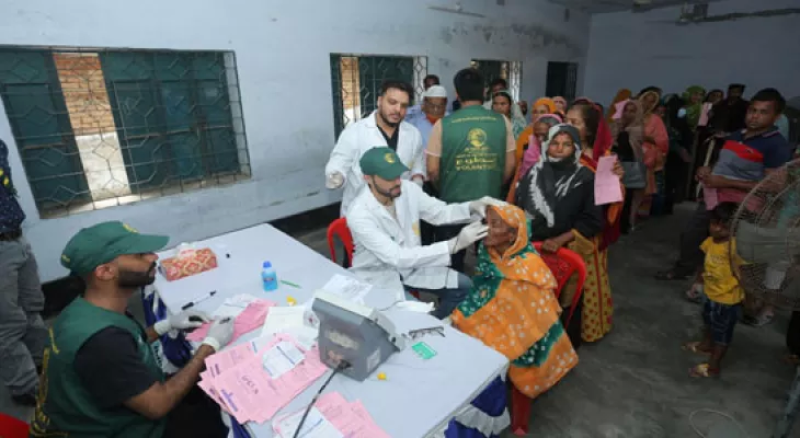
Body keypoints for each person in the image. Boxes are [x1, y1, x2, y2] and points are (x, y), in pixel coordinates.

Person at [31, 221, 235, 437]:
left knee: (204, 394)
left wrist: (165, 325)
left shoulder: (86, 309)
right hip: (125, 429)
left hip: (116, 412)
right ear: (105, 271)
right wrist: (209, 347)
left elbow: (127, 346)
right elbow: (158, 406)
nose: (154, 257)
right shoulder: (102, 342)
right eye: (140, 255)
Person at [450, 204, 577, 436]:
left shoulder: (528, 268)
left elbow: (532, 321)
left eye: (495, 225)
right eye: (487, 222)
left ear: (513, 235)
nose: (486, 228)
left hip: (526, 335)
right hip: (498, 321)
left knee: (473, 340)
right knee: (455, 327)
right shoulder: (489, 255)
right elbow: (485, 295)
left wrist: (485, 329)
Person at [347, 147, 502, 319]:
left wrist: (471, 206)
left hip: (413, 267)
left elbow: (439, 213)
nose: (397, 182)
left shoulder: (407, 190)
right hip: (379, 275)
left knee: (464, 286)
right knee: (405, 321)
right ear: (368, 178)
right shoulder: (359, 213)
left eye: (398, 175)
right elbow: (397, 257)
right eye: (389, 178)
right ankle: (424, 327)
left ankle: (437, 323)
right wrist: (452, 245)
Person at [656, 88, 793, 282]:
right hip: (713, 196)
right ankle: (685, 270)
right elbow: (723, 162)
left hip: (740, 207)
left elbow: (774, 186)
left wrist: (726, 182)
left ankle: (716, 289)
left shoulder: (776, 146)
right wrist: (708, 170)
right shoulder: (737, 135)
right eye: (752, 110)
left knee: (726, 248)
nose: (755, 116)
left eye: (763, 112)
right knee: (692, 235)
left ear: (776, 116)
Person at [516, 124, 605, 347]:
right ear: (547, 146)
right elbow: (518, 205)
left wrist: (560, 239)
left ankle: (558, 349)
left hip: (563, 250)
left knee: (560, 302)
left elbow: (593, 220)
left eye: (566, 145)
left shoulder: (585, 178)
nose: (559, 149)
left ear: (575, 149)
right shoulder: (534, 172)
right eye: (555, 143)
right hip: (531, 246)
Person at [427, 68, 516, 273]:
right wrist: (492, 183)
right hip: (490, 204)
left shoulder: (443, 124)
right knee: (490, 261)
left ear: (457, 94)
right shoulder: (502, 121)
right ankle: (487, 301)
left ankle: (452, 301)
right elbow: (510, 165)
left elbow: (432, 170)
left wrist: (447, 188)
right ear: (485, 92)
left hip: (452, 204)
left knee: (452, 262)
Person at [565, 104, 624, 342]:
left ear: (588, 130)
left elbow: (611, 200)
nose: (567, 126)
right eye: (565, 120)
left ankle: (590, 328)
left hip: (588, 229)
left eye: (574, 122)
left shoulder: (604, 158)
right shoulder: (560, 149)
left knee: (588, 279)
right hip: (562, 226)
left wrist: (618, 181)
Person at [325, 80, 424, 215]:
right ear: (379, 101)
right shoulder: (355, 132)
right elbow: (338, 162)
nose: (398, 110)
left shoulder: (413, 134)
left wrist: (417, 181)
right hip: (362, 214)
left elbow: (417, 162)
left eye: (404, 106)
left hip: (399, 211)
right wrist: (336, 176)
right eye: (392, 102)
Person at [0, 139, 45, 407]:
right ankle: (25, 386)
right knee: (7, 323)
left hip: (17, 238)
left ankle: (41, 364)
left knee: (32, 305)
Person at [682, 203, 744, 378]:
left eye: (724, 227)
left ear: (734, 228)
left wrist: (748, 299)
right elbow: (703, 264)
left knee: (722, 334)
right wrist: (697, 282)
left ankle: (713, 365)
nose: (717, 229)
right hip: (710, 294)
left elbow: (743, 274)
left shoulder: (734, 248)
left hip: (727, 299)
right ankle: (705, 345)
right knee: (708, 322)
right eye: (714, 224)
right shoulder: (709, 241)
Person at [408, 85, 449, 244]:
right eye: (432, 105)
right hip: (422, 181)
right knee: (423, 221)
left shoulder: (451, 122)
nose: (436, 109)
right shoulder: (415, 123)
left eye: (440, 105)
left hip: (444, 180)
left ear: (446, 105)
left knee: (443, 221)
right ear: (424, 104)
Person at [612, 100, 647, 233]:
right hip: (616, 165)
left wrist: (623, 135)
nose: (628, 114)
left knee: (627, 198)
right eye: (626, 110)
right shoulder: (616, 126)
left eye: (632, 111)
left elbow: (632, 149)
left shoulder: (637, 129)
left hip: (631, 165)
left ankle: (624, 225)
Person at [640, 90, 670, 217]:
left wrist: (646, 138)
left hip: (648, 158)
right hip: (631, 155)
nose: (648, 103)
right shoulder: (630, 114)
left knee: (646, 188)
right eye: (646, 99)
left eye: (652, 101)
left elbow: (663, 141)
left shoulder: (656, 120)